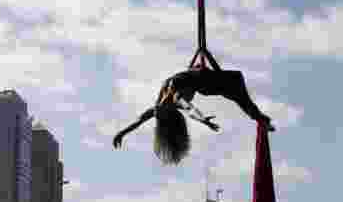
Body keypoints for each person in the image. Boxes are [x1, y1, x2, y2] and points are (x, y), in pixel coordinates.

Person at [113, 68, 275, 165]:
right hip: (207, 83)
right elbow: (189, 109)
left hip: (206, 81)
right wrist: (203, 120)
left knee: (239, 91)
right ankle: (261, 119)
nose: (156, 112)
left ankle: (261, 119)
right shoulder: (172, 100)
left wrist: (122, 133)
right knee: (239, 93)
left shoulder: (163, 104)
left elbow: (140, 120)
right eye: (159, 115)